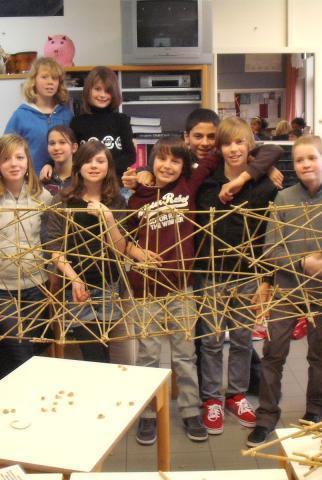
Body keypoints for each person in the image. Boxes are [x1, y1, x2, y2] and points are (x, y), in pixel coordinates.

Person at [123, 135, 268, 444]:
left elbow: (221, 151)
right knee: (148, 355)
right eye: (161, 158)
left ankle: (190, 410)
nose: (167, 166)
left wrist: (258, 170)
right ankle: (147, 415)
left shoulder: (189, 186)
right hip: (145, 289)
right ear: (150, 161)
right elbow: (123, 239)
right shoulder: (137, 195)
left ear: (185, 165)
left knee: (185, 355)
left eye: (176, 160)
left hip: (182, 289)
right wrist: (136, 253)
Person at [247, 135, 322, 446]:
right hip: (286, 290)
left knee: (320, 354)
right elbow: (270, 249)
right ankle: (266, 415)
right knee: (273, 353)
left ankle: (315, 411)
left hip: (321, 291)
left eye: (311, 158)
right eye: (299, 160)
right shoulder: (283, 200)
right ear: (294, 166)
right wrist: (301, 263)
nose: (305, 164)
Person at [195, 116, 282, 435]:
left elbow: (272, 235)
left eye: (240, 142)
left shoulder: (263, 187)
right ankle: (212, 399)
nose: (234, 149)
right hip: (212, 273)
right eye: (227, 143)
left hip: (247, 274)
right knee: (212, 341)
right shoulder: (206, 184)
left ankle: (236, 395)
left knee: (244, 340)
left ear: (250, 146)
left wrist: (265, 279)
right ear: (219, 149)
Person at [0, 134, 52, 378]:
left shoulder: (42, 198)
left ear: (28, 161)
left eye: (19, 157)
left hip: (37, 286)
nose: (14, 164)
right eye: (6, 159)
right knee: (20, 351)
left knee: (31, 349)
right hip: (1, 289)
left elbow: (51, 241)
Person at [46, 140, 138, 362]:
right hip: (76, 288)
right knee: (93, 354)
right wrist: (75, 280)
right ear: (78, 166)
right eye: (87, 161)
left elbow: (120, 249)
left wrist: (107, 218)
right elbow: (54, 248)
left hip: (110, 286)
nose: (94, 166)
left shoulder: (116, 201)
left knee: (107, 353)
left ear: (108, 167)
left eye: (100, 161)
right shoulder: (63, 201)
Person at [42, 66, 135, 181]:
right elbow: (68, 150)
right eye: (97, 89)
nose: (102, 95)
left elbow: (130, 155)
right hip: (85, 185)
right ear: (88, 90)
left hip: (115, 184)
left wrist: (105, 170)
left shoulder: (121, 120)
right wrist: (50, 164)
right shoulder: (77, 122)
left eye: (107, 91)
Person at [5, 57, 73, 173]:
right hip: (30, 182)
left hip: (62, 181)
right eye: (44, 77)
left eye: (54, 78)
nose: (50, 82)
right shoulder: (20, 116)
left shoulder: (66, 114)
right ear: (33, 81)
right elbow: (6, 150)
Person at [42, 125, 78, 196]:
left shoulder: (82, 179)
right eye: (52, 143)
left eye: (62, 142)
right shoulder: (43, 178)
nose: (56, 148)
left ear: (74, 147)